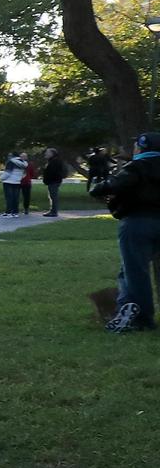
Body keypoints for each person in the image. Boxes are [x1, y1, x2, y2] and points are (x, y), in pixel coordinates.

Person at [89, 132, 160, 333]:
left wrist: (99, 190)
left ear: (142, 147)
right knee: (127, 271)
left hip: (138, 222)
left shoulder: (136, 168)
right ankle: (125, 307)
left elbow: (111, 186)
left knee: (135, 271)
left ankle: (141, 318)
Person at [42, 148, 70, 218]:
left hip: (54, 181)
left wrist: (48, 179)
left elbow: (53, 172)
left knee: (53, 196)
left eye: (47, 152)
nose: (45, 154)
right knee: (52, 196)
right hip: (52, 181)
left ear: (52, 154)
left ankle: (54, 211)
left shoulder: (55, 161)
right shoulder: (52, 161)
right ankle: (52, 210)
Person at [0, 151, 27, 217]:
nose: (8, 157)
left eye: (9, 155)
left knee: (9, 198)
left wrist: (1, 178)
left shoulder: (11, 162)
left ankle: (8, 212)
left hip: (8, 182)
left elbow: (7, 173)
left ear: (13, 156)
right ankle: (15, 212)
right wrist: (19, 178)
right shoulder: (23, 163)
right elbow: (24, 174)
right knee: (16, 198)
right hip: (17, 182)